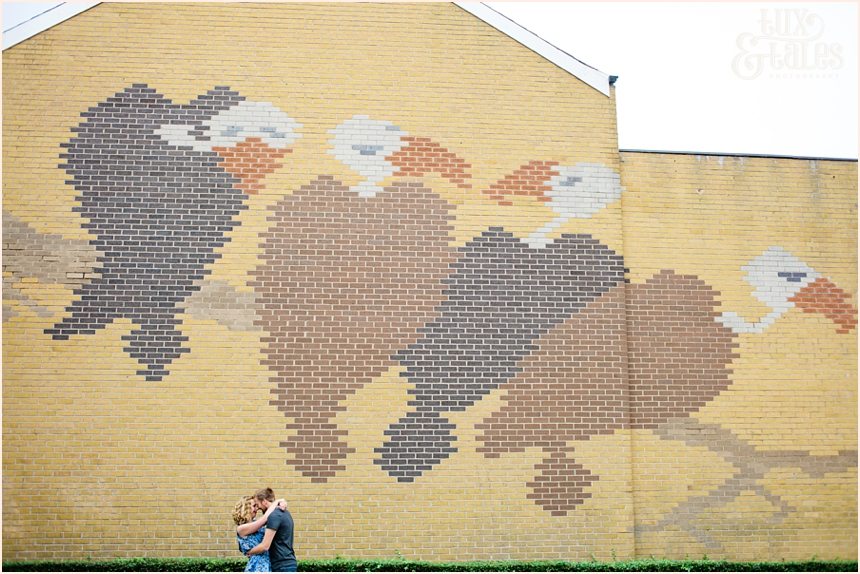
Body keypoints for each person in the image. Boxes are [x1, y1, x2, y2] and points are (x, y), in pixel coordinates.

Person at [245, 487, 297, 572]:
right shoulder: (284, 513)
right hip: (287, 563)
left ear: (264, 501)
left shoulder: (274, 516)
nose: (257, 508)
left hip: (281, 566)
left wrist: (250, 552)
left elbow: (265, 546)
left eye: (257, 504)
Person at [233, 495, 286, 572]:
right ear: (246, 508)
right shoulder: (241, 528)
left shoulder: (256, 523)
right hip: (257, 566)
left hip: (268, 563)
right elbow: (265, 518)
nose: (257, 509)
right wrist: (277, 502)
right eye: (254, 506)